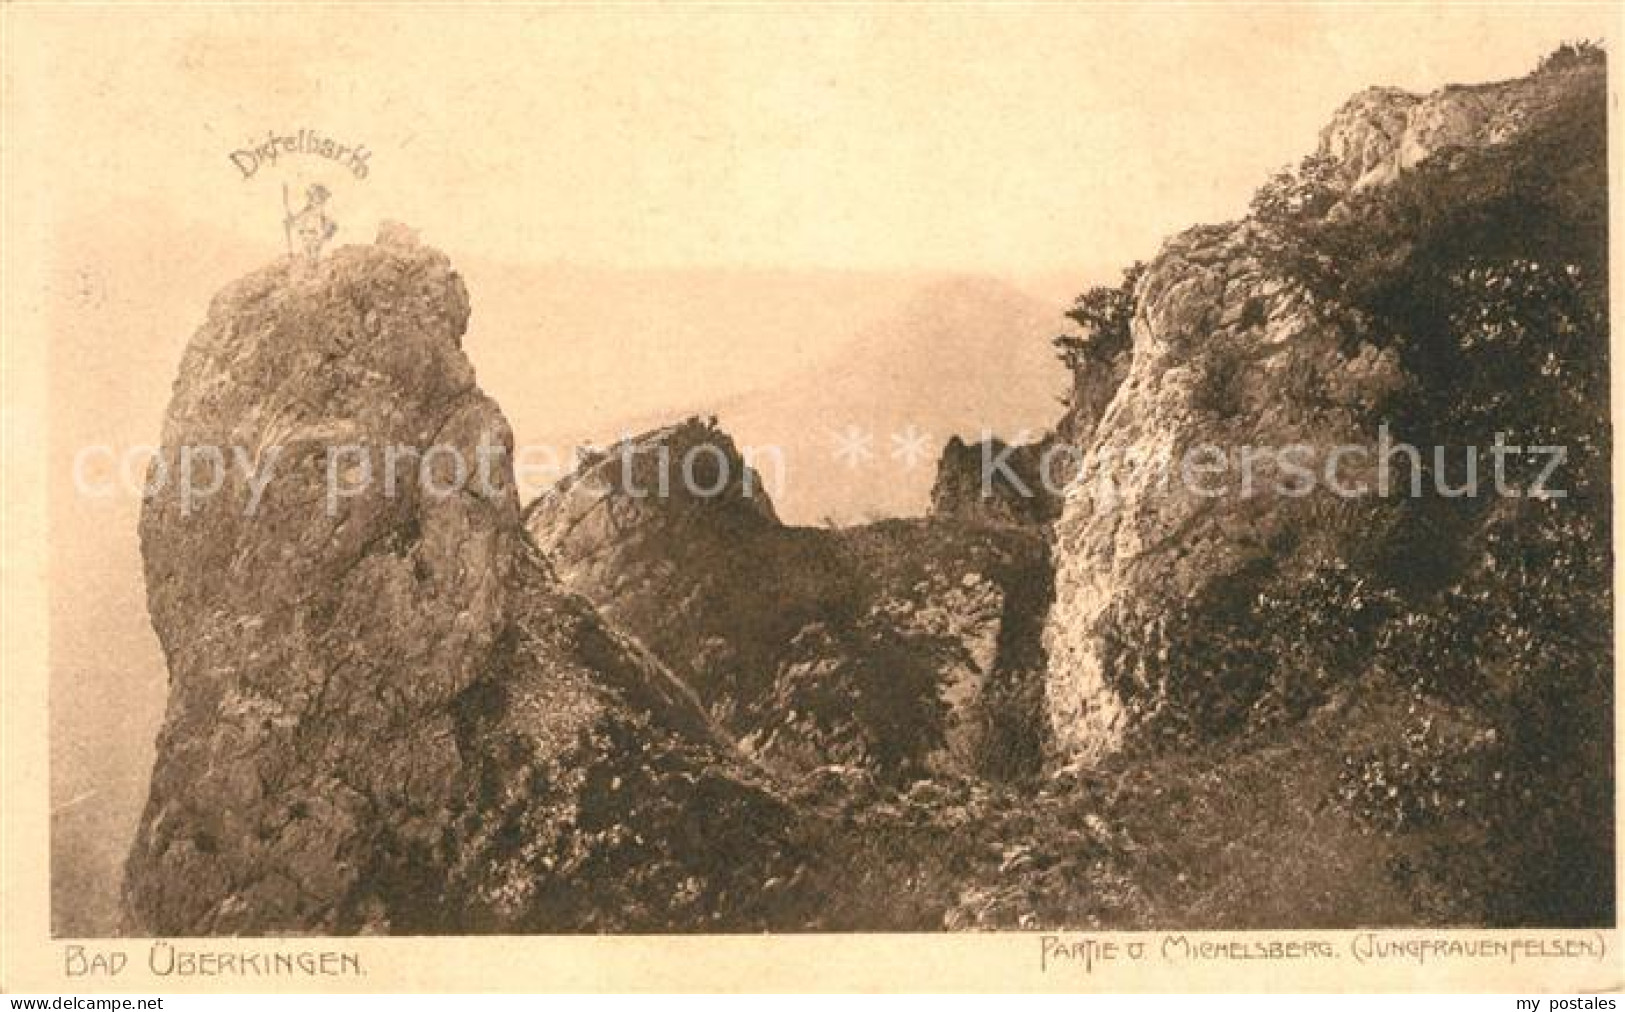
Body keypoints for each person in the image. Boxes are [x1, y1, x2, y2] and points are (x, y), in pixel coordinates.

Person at [285, 183, 337, 268]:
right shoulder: (306, 211)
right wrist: (290, 221)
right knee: (309, 252)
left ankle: (314, 263)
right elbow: (297, 220)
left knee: (315, 252)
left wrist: (325, 233)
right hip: (309, 236)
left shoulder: (321, 212)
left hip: (316, 237)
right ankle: (311, 264)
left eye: (321, 199)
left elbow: (330, 225)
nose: (320, 202)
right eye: (313, 197)